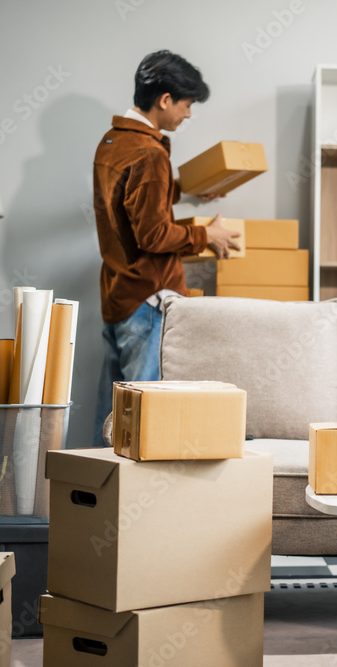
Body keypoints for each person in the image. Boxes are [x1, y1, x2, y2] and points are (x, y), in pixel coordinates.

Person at [92, 50, 239, 445]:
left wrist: (185, 191)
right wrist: (207, 236)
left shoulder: (112, 142)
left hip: (117, 293)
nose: (188, 115)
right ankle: (136, 505)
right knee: (142, 421)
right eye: (188, 105)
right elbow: (154, 236)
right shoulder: (150, 153)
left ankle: (92, 500)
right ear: (165, 100)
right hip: (148, 300)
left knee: (111, 417)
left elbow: (129, 199)